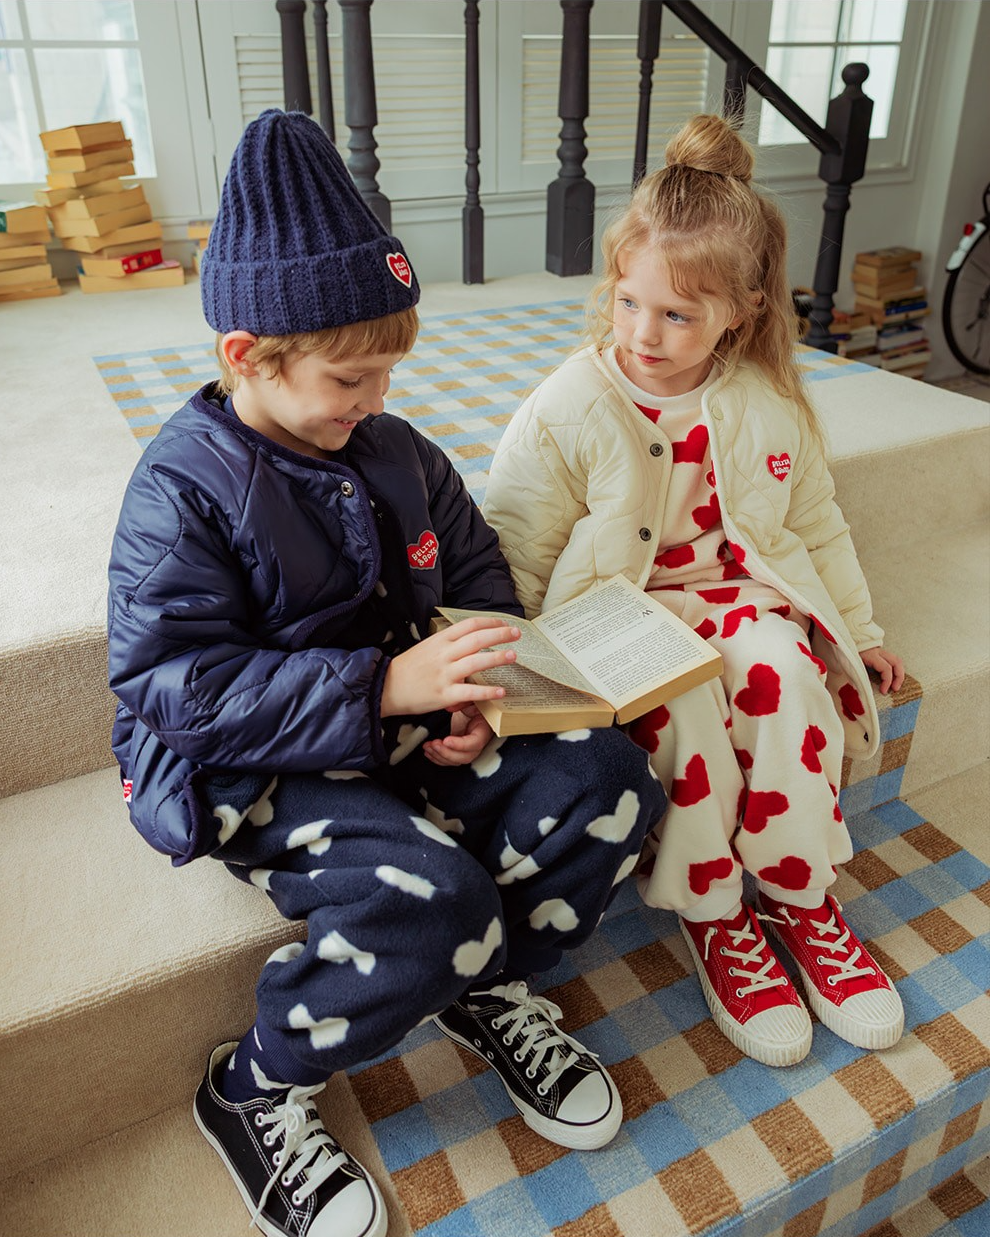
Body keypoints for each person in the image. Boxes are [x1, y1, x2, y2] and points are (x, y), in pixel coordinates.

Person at [107, 110, 665, 1237]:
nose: (374, 403)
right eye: (349, 380)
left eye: (388, 376)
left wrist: (469, 692)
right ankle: (255, 1085)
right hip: (257, 757)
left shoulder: (397, 450)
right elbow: (175, 683)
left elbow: (476, 582)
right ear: (245, 356)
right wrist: (379, 693)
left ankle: (484, 982)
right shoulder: (182, 490)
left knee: (610, 781)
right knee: (428, 896)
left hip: (405, 716)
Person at [483, 113, 906, 1070]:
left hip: (737, 592)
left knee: (789, 678)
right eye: (630, 302)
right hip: (620, 615)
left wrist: (862, 628)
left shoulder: (767, 401)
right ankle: (715, 913)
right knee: (688, 708)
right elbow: (510, 536)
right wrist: (508, 664)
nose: (644, 333)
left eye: (678, 315)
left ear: (742, 311)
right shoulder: (572, 403)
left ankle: (800, 892)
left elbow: (814, 522)